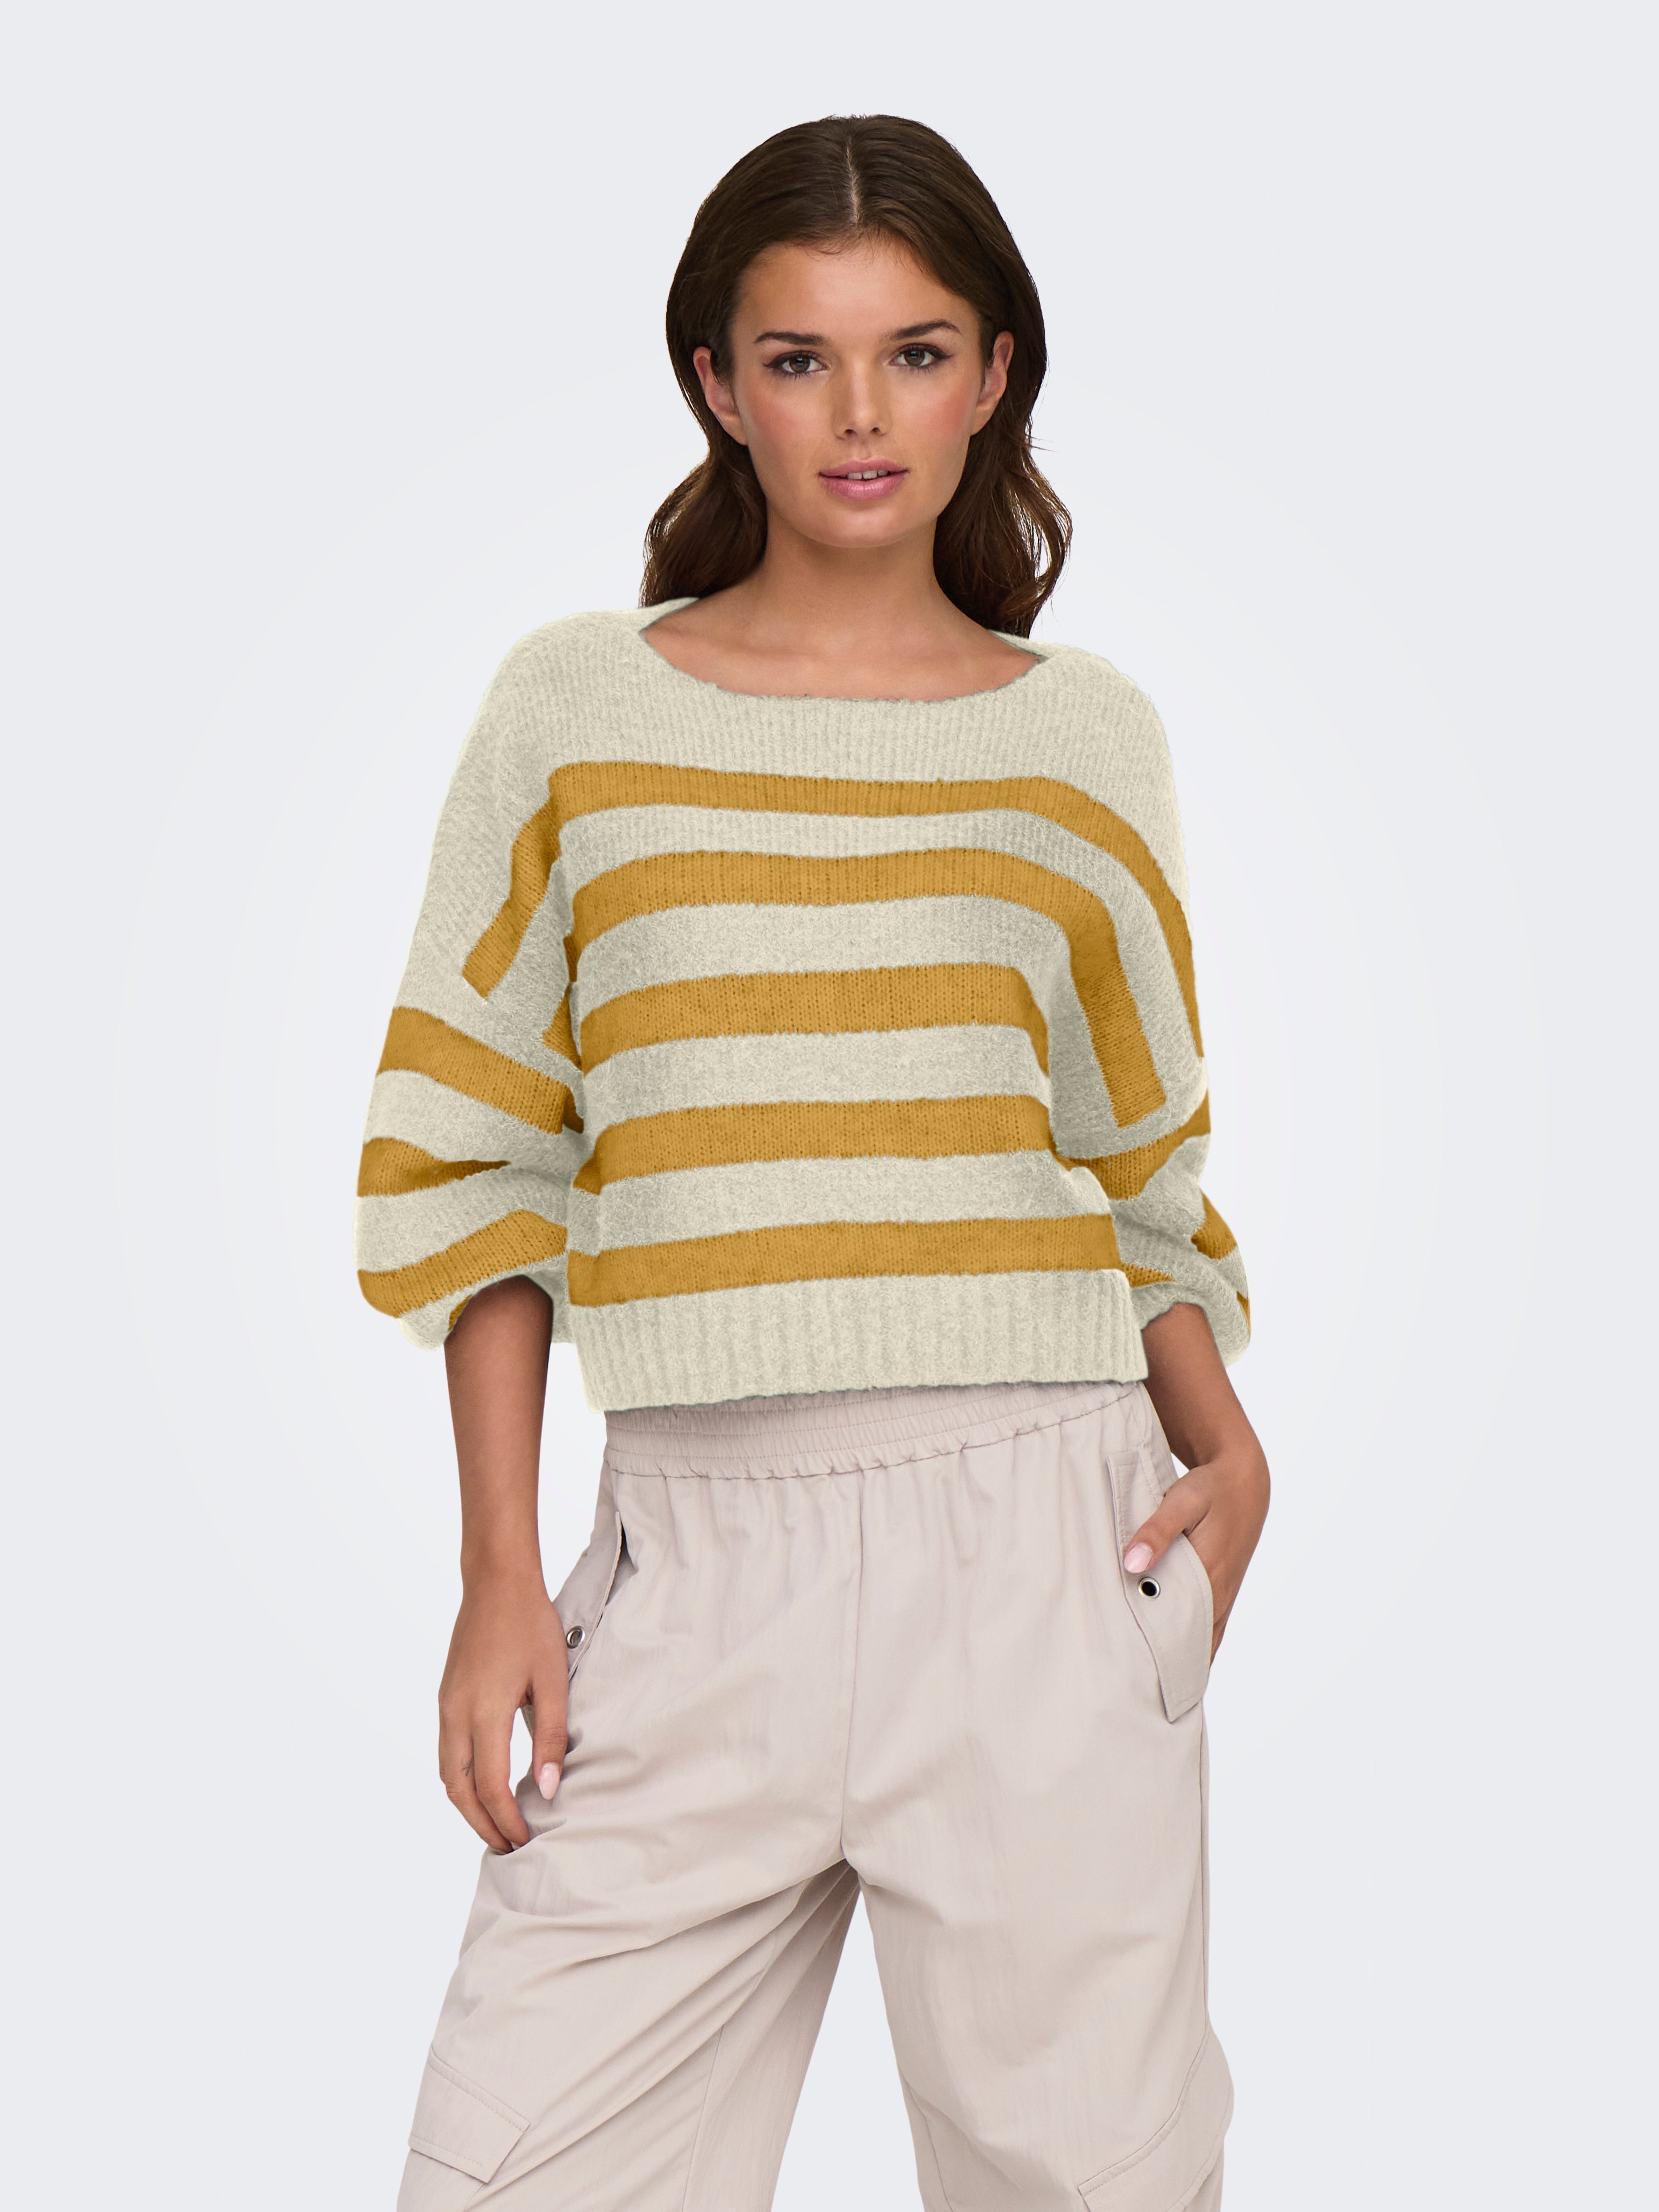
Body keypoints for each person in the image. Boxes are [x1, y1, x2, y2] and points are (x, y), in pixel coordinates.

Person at [356, 112, 1269, 2212]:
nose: (861, 414)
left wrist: (1228, 1449)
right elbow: (478, 1155)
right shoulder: (573, 708)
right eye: (798, 358)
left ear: (995, 373)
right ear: (716, 383)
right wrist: (497, 1568)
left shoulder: (1082, 735)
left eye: (915, 352)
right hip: (690, 1559)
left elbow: (1138, 1160)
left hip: (1043, 1544)